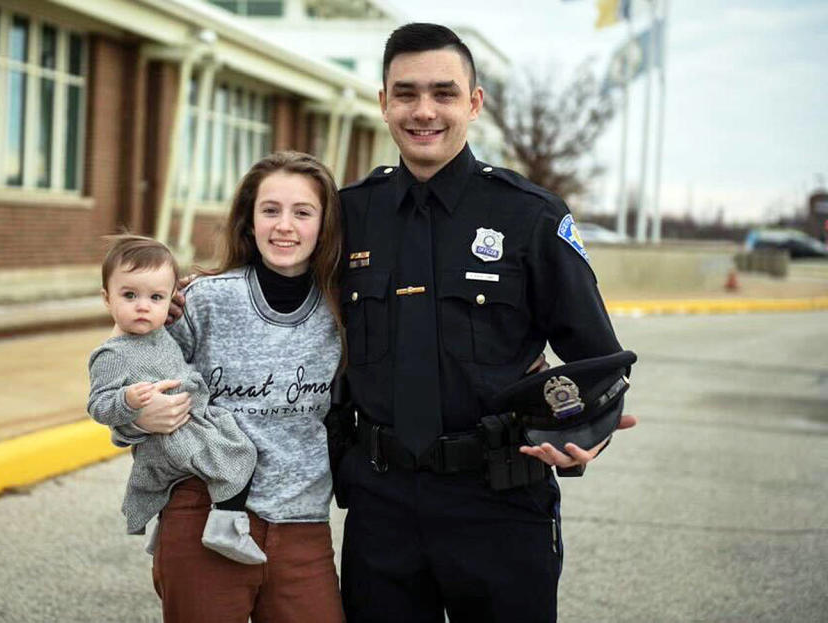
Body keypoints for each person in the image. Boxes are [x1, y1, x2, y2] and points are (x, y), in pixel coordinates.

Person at [333, 23, 637, 623]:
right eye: (407, 93)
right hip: (381, 508)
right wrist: (190, 303)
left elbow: (596, 357)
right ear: (383, 102)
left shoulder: (530, 216)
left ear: (474, 103)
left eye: (444, 93)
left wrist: (583, 437)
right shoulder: (348, 215)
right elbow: (281, 293)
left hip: (499, 503)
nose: (424, 111)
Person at [113, 152, 345, 623]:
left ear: (324, 225)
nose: (285, 226)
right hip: (202, 516)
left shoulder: (343, 310)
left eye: (303, 212)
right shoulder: (204, 300)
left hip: (302, 526)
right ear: (249, 220)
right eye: (270, 210)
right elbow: (128, 386)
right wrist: (136, 415)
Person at [87, 234, 265, 565]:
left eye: (155, 297)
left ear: (170, 300)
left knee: (231, 447)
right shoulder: (111, 354)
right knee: (236, 456)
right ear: (107, 298)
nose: (143, 306)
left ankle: (166, 527)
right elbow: (97, 405)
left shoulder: (158, 333)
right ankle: (226, 525)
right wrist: (127, 400)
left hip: (189, 420)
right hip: (170, 437)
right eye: (129, 295)